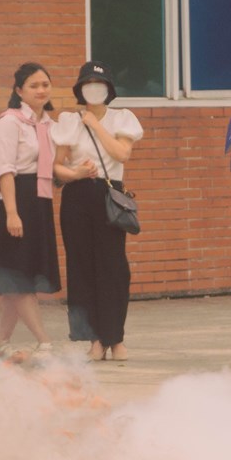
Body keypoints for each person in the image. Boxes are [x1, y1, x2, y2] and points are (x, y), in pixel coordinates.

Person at [52, 61, 140, 362]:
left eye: (99, 83)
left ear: (109, 89)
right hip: (77, 196)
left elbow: (122, 153)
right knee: (82, 266)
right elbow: (57, 166)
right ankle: (93, 339)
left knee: (113, 267)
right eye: (88, 83)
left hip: (108, 195)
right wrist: (75, 172)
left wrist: (95, 125)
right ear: (80, 89)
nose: (94, 88)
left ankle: (115, 338)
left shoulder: (123, 117)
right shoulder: (67, 119)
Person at [0, 62, 61, 361]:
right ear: (19, 91)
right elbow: (5, 171)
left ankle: (2, 344)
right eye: (34, 85)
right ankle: (45, 343)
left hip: (38, 201)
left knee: (15, 277)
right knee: (20, 278)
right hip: (13, 200)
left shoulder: (48, 124)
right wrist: (12, 213)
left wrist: (78, 172)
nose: (41, 90)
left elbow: (49, 167)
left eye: (45, 85)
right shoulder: (8, 123)